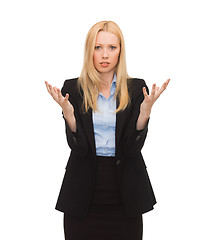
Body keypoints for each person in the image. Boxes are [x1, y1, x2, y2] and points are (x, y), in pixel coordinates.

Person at [45, 20, 170, 240]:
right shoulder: (72, 88)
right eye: (98, 47)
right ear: (89, 51)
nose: (105, 55)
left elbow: (132, 148)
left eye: (112, 47)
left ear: (120, 51)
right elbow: (79, 148)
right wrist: (69, 116)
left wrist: (145, 113)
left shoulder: (136, 88)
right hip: (82, 195)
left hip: (126, 195)